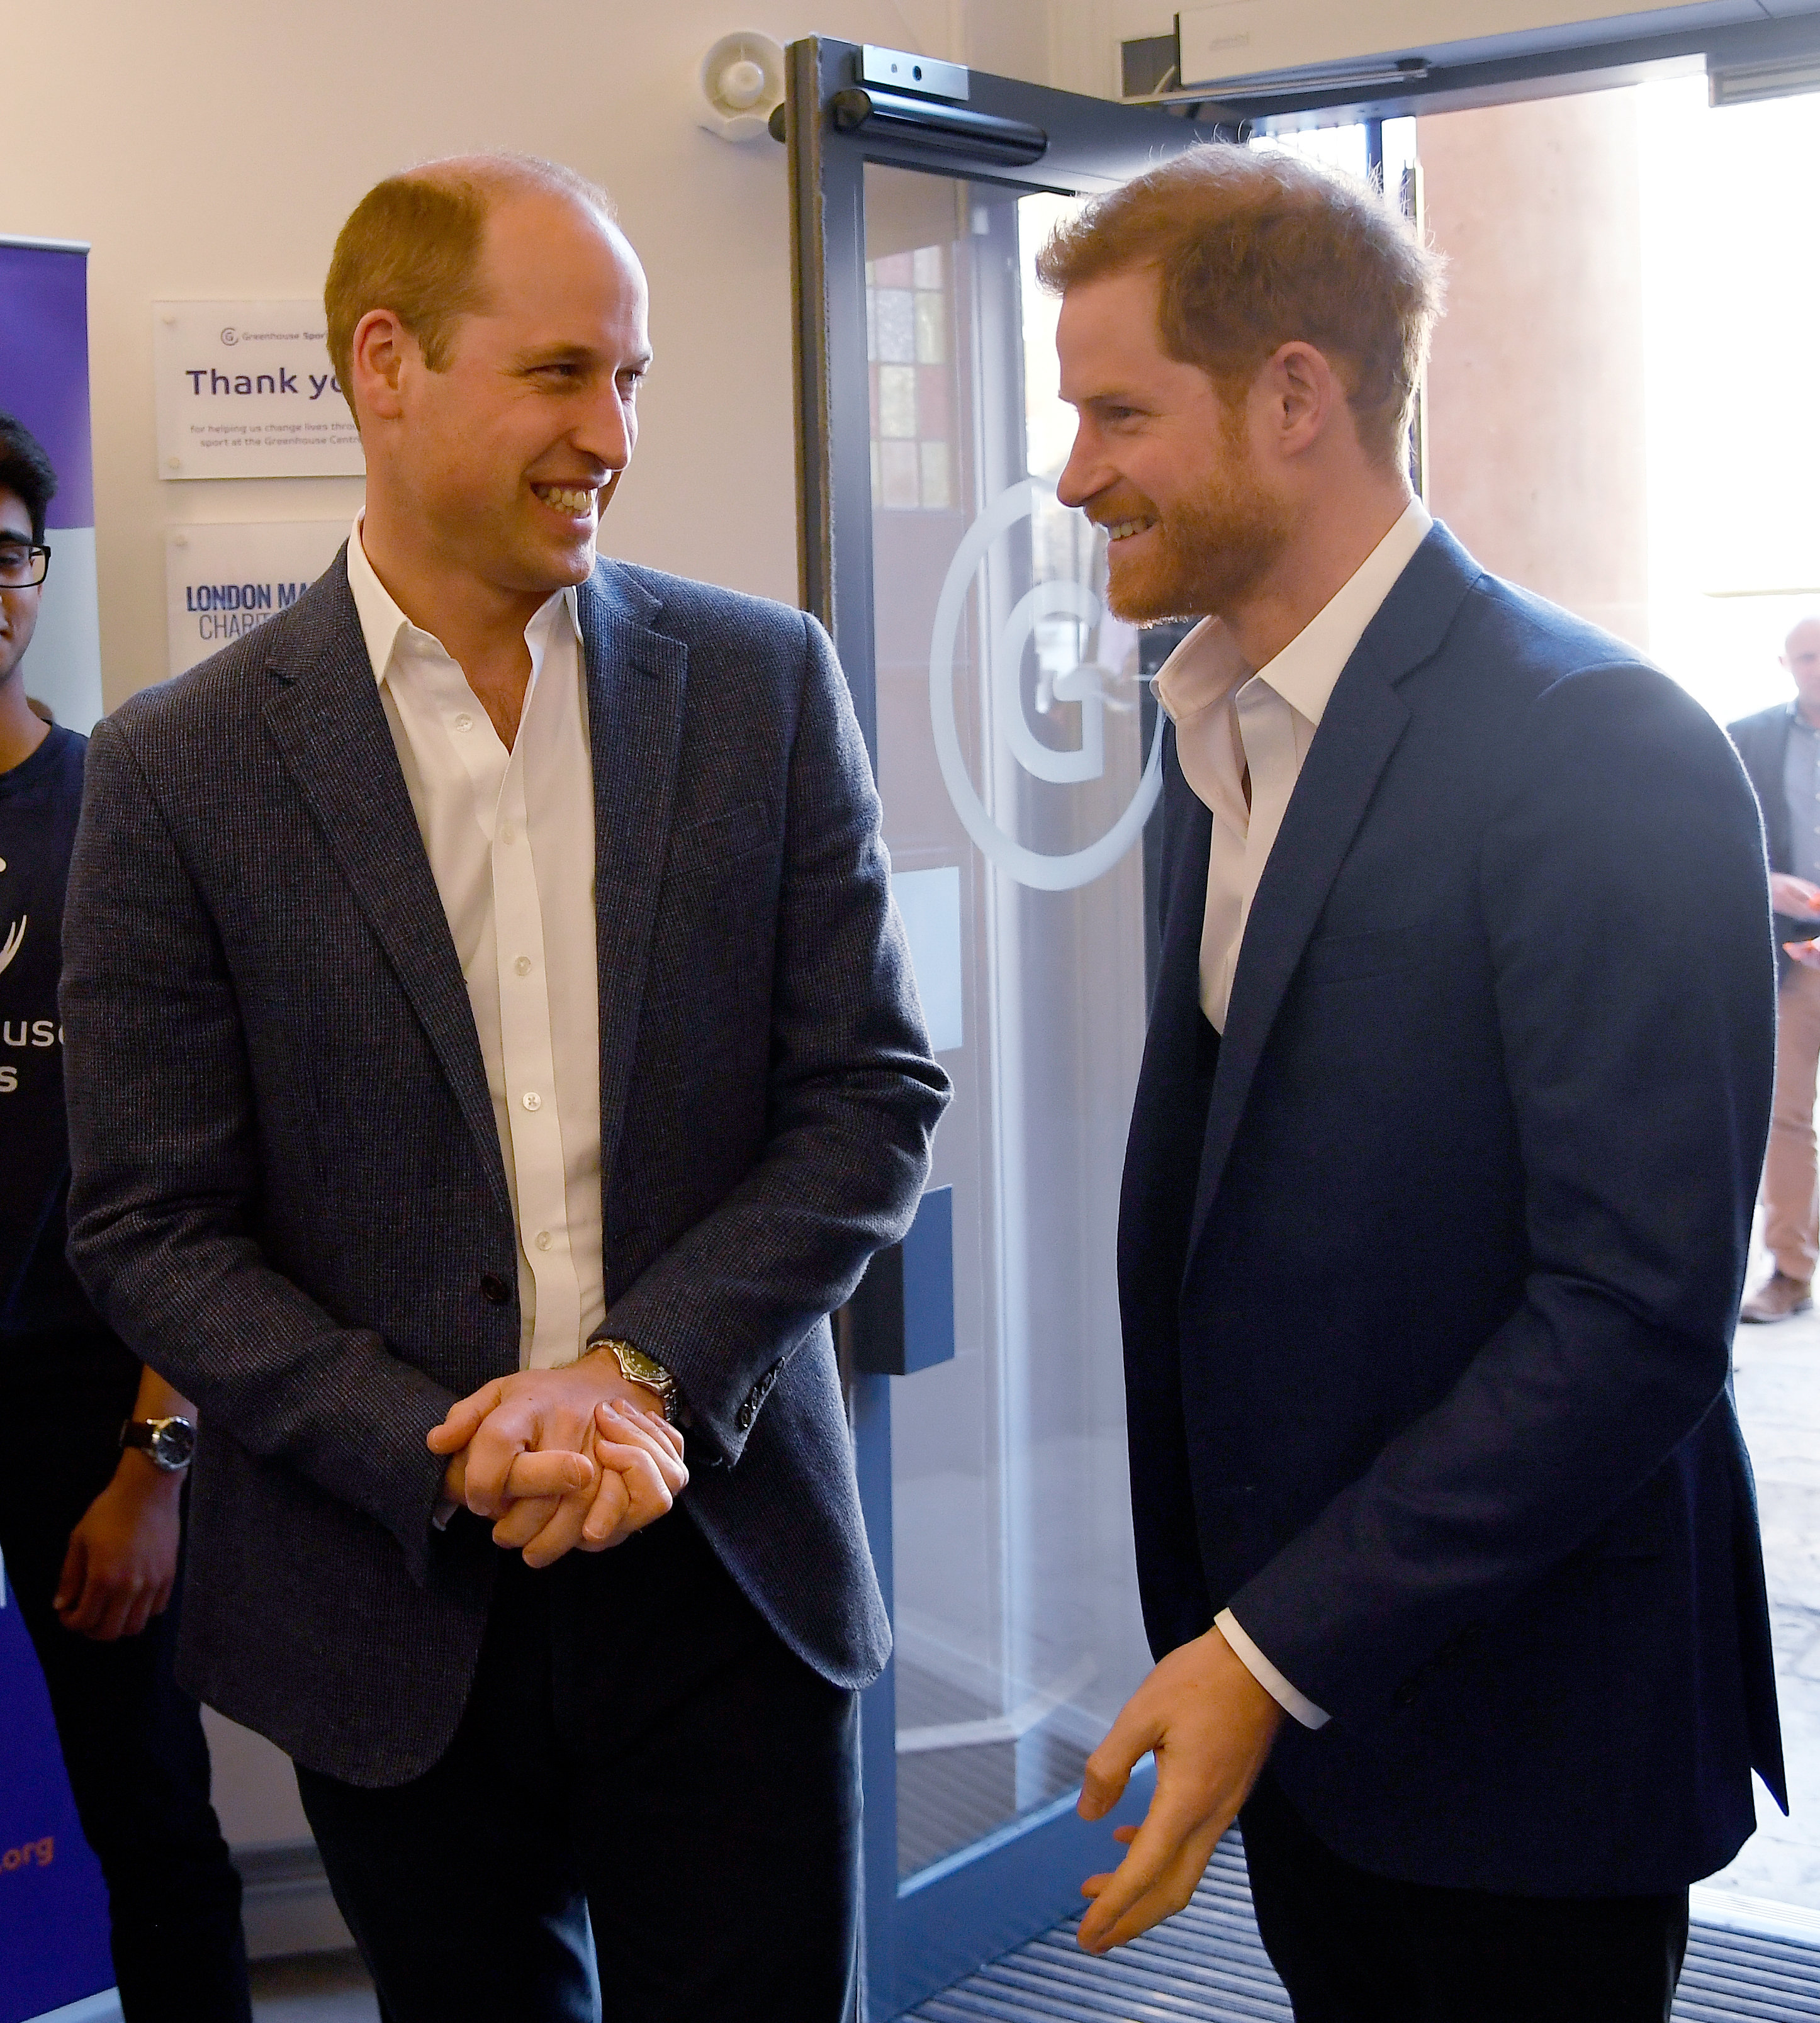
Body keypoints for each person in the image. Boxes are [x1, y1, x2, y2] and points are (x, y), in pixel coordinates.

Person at [60, 156, 947, 2023]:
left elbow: (865, 1093)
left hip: (726, 1567)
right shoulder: (179, 770)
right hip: (385, 1593)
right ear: (385, 366)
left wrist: (628, 1379)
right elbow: (150, 1221)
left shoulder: (762, 688)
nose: (608, 432)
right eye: (561, 373)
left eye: (631, 379)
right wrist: (444, 1440)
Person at [1040, 147, 1783, 2020]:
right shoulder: (1209, 730)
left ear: (1297, 395)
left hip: (1526, 1747)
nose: (1073, 475)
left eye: (1119, 410)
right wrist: (1251, 1651)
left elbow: (1628, 1317)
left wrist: (1264, 1651)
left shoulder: (1595, 742)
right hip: (1313, 1727)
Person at [0, 412, 250, 2022]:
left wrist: (156, 1462)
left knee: (149, 1809)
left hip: (81, 1407)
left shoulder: (118, 817)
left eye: (4, 558)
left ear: (35, 580)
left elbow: (207, 1175)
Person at [1729, 617, 1820, 1322]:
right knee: (1784, 1118)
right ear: (1785, 662)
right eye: (1807, 655)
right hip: (1791, 958)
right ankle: (1790, 1269)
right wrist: (1765, 881)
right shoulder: (1748, 737)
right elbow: (1720, 842)